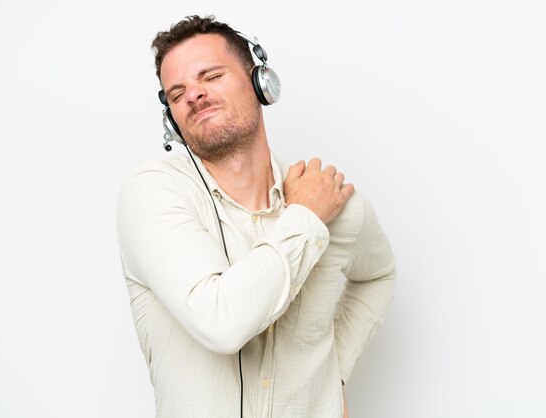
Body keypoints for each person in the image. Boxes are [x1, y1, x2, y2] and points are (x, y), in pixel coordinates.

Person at [116, 15, 396, 418]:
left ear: (260, 81)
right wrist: (304, 217)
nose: (193, 95)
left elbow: (379, 274)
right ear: (171, 120)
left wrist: (333, 374)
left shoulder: (332, 202)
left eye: (210, 76)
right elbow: (221, 323)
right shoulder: (152, 191)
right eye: (177, 93)